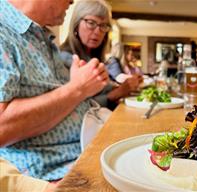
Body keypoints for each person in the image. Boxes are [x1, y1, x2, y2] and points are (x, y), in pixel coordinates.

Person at [0, 0, 108, 182]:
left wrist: (77, 84)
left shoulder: (41, 37)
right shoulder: (3, 33)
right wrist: (78, 89)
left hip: (89, 149)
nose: (72, 1)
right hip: (59, 173)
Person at [60, 0, 142, 108]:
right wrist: (117, 93)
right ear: (76, 24)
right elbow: (75, 107)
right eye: (91, 23)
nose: (98, 31)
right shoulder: (65, 58)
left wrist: (122, 86)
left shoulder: (93, 57)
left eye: (103, 26)